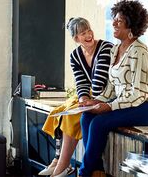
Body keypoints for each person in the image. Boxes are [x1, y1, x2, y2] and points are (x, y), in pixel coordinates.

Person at [78, 0, 148, 176]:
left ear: (130, 26)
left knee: (100, 122)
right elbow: (112, 87)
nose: (113, 23)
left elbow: (138, 94)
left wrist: (109, 106)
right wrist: (96, 101)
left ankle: (85, 172)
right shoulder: (116, 50)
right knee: (87, 116)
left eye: (118, 21)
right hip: (135, 102)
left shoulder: (140, 52)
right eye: (114, 19)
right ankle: (97, 170)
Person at [38, 17, 113, 177]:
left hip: (106, 96)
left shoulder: (105, 47)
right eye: (83, 33)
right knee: (59, 112)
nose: (88, 35)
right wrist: (82, 99)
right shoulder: (75, 56)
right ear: (76, 38)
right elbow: (81, 83)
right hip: (90, 95)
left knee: (71, 117)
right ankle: (58, 160)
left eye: (89, 30)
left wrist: (86, 101)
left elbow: (99, 83)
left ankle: (62, 166)